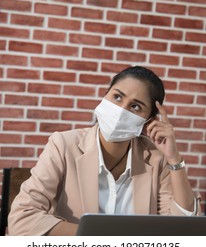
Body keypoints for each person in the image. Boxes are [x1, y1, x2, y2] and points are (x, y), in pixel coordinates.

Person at [8, 65, 201, 236]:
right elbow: (22, 219)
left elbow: (182, 228)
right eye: (117, 97)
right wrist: (100, 239)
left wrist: (174, 157)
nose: (121, 110)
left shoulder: (156, 158)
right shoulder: (63, 145)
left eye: (135, 106)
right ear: (104, 97)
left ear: (148, 121)